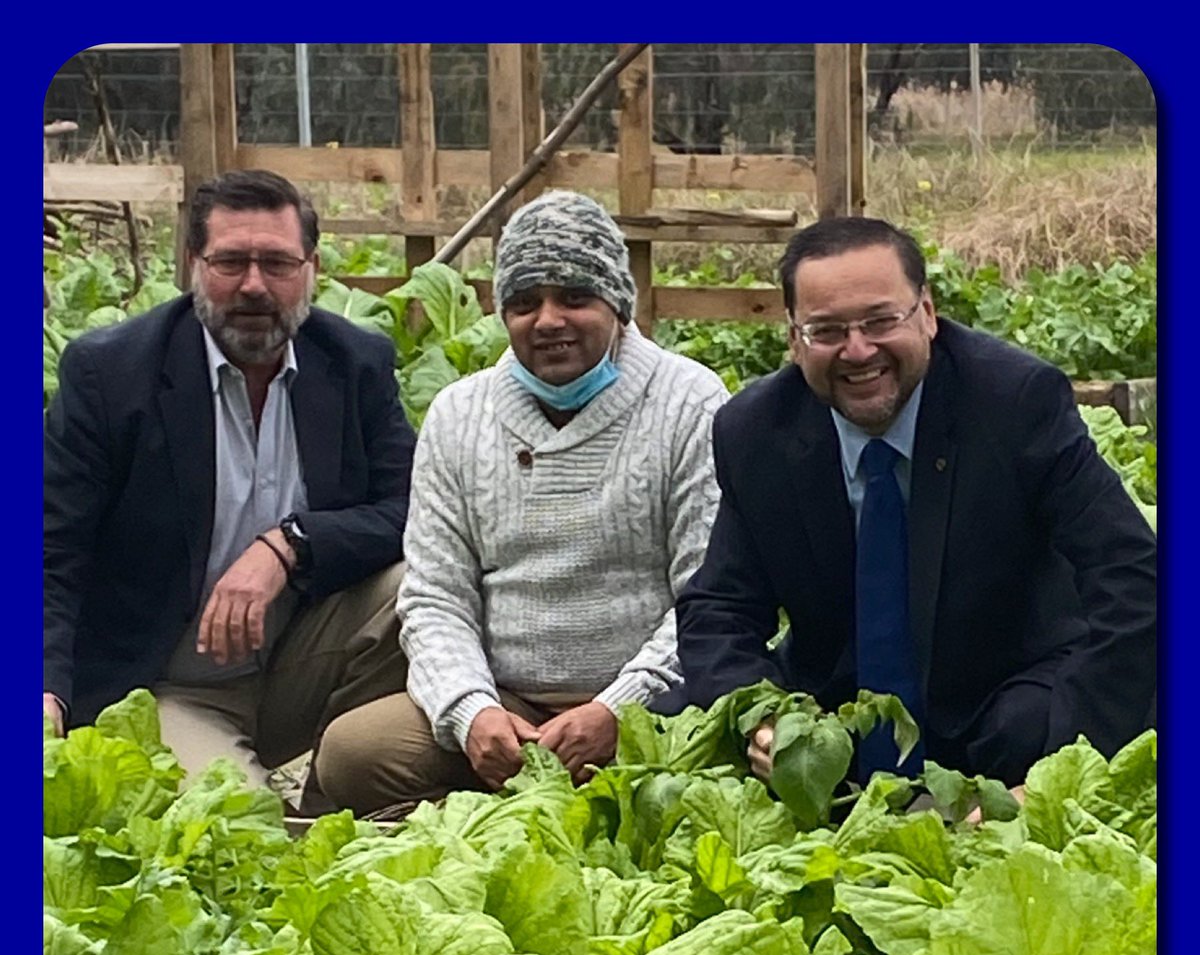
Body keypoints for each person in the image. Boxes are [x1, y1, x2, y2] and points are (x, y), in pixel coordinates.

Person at [676, 216, 1156, 788]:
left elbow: (1132, 575)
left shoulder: (1013, 402)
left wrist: (1066, 763)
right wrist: (765, 721)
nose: (858, 351)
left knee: (1026, 733)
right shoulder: (756, 430)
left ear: (927, 313)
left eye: (881, 321)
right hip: (838, 712)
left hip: (1007, 692)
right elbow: (720, 608)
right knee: (673, 725)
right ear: (793, 338)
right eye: (826, 331)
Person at [312, 190, 730, 815]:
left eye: (575, 299)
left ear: (618, 303)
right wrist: (471, 711)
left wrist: (617, 710)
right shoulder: (459, 415)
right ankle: (519, 802)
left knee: (697, 784)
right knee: (352, 754)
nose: (549, 321)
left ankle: (530, 811)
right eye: (525, 303)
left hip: (650, 709)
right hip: (509, 707)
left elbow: (708, 596)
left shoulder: (689, 402)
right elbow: (433, 595)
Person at [43, 169, 416, 801]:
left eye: (276, 263)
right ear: (191, 263)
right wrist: (44, 689)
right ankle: (245, 783)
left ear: (312, 267)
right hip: (166, 682)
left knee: (415, 584)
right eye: (231, 261)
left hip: (297, 658)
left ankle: (332, 781)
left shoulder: (353, 363)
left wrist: (288, 545)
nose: (253, 285)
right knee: (237, 826)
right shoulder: (113, 374)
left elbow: (413, 509)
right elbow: (51, 549)